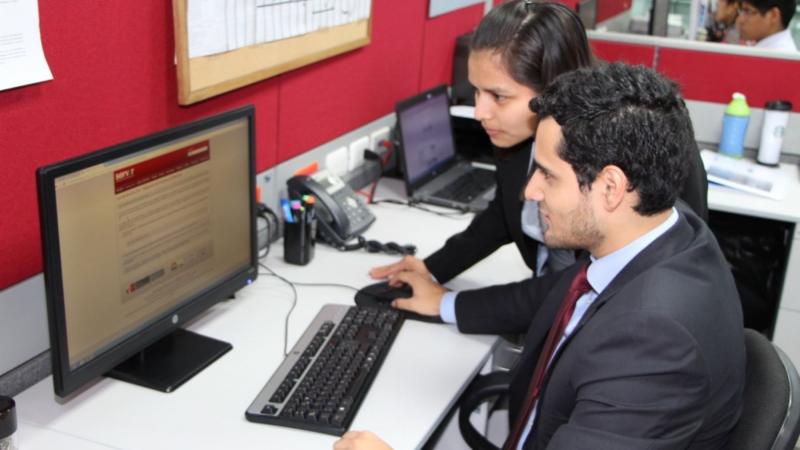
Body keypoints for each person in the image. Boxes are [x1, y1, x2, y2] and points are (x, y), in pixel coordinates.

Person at [335, 63, 745, 450]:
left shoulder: (652, 341)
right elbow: (556, 294)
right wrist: (445, 298)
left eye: (548, 174)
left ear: (611, 187)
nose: (530, 191)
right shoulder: (666, 230)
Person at [371, 0, 709, 316]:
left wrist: (451, 305)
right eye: (476, 90)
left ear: (553, 89)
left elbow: (579, 285)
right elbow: (506, 210)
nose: (480, 112)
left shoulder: (621, 152)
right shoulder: (518, 130)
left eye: (498, 96)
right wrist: (432, 269)